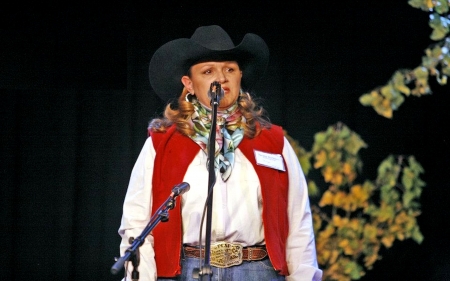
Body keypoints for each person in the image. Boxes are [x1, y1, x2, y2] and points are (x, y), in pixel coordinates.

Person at [118, 25, 322, 281]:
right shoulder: (162, 144)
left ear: (240, 77)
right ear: (189, 83)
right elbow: (137, 221)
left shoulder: (272, 141)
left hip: (257, 270)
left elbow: (298, 221)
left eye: (229, 69)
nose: (221, 78)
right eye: (208, 71)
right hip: (189, 271)